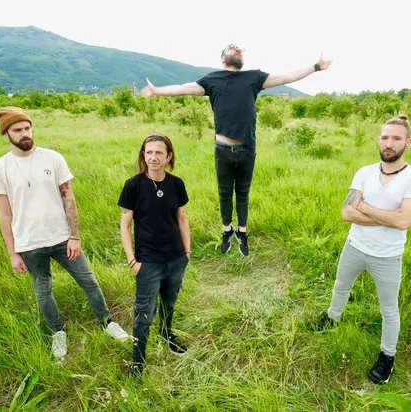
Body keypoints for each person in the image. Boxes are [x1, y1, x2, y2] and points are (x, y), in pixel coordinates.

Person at [141, 44, 332, 256]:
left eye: (240, 49)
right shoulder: (212, 80)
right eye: (232, 48)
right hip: (223, 150)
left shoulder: (253, 78)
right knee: (224, 193)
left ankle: (241, 231)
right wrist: (157, 91)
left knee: (243, 193)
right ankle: (227, 230)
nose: (237, 49)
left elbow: (287, 77)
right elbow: (182, 88)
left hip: (247, 149)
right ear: (223, 58)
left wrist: (316, 67)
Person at [0, 107, 130, 358]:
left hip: (62, 238)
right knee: (43, 290)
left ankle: (107, 323)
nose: (25, 133)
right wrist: (13, 253)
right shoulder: (0, 168)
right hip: (29, 243)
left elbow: (69, 198)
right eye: (18, 130)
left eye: (27, 128)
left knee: (88, 281)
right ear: (6, 134)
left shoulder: (52, 158)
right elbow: (4, 214)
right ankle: (58, 331)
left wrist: (74, 236)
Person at [311, 115, 411, 384]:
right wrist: (388, 217)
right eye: (385, 137)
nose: (389, 143)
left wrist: (364, 207)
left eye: (396, 138)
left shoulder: (410, 177)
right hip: (354, 246)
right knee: (340, 286)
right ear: (379, 139)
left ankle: (387, 356)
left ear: (407, 143)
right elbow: (346, 213)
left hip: (387, 257)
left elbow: (403, 221)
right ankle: (332, 318)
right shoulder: (364, 172)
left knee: (389, 310)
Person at [118, 133, 190, 378]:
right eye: (149, 152)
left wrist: (187, 251)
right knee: (143, 314)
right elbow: (125, 224)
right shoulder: (134, 185)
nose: (153, 157)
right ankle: (138, 362)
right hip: (147, 262)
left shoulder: (176, 184)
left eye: (159, 152)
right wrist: (132, 260)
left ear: (168, 157)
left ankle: (166, 335)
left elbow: (182, 217)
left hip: (176, 258)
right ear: (143, 155)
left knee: (169, 302)